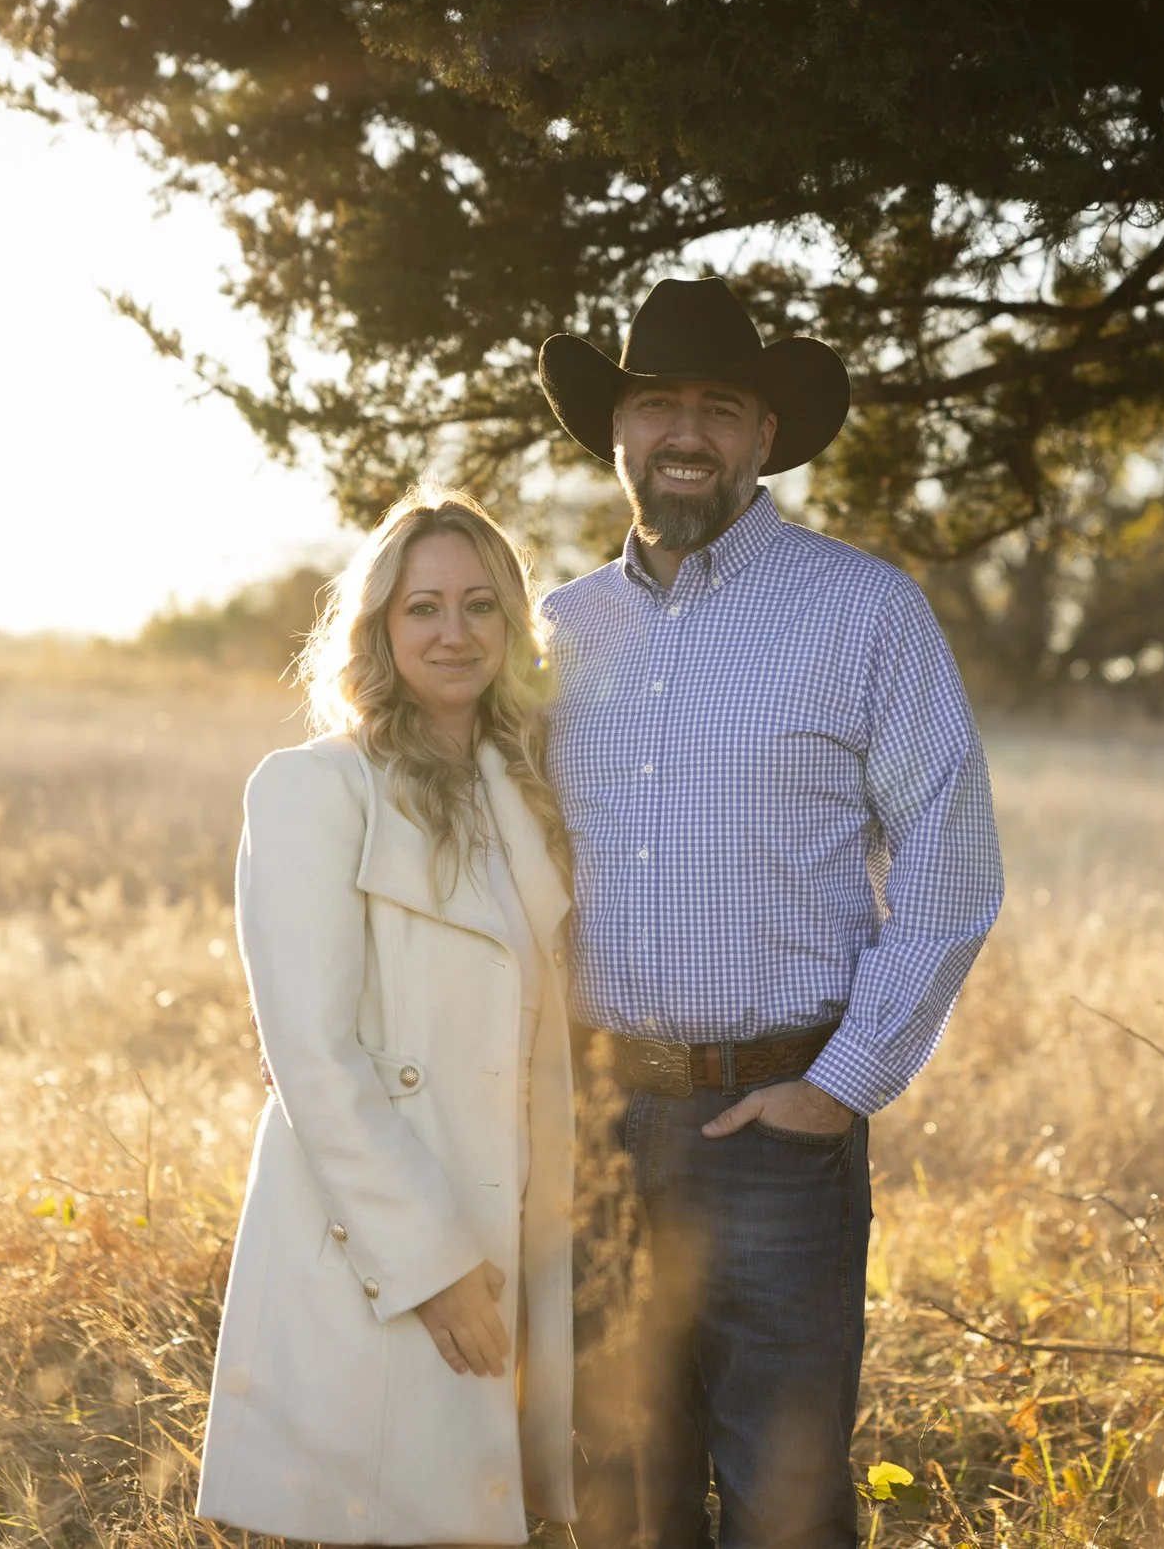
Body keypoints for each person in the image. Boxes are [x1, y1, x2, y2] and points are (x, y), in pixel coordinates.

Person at [535, 276, 1004, 1546]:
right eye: (655, 403)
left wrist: (839, 1087)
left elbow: (954, 873)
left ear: (759, 437)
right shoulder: (556, 631)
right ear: (618, 431)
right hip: (591, 1134)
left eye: (717, 406)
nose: (683, 430)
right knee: (623, 1500)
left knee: (784, 1506)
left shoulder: (864, 612)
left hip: (776, 1134)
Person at [196, 489, 577, 1544]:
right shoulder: (312, 789)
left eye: (479, 607)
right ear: (377, 627)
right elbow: (312, 1059)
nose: (453, 634)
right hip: (379, 1244)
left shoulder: (524, 791)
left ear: (510, 625)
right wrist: (434, 1263)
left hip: (511, 1224)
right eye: (422, 609)